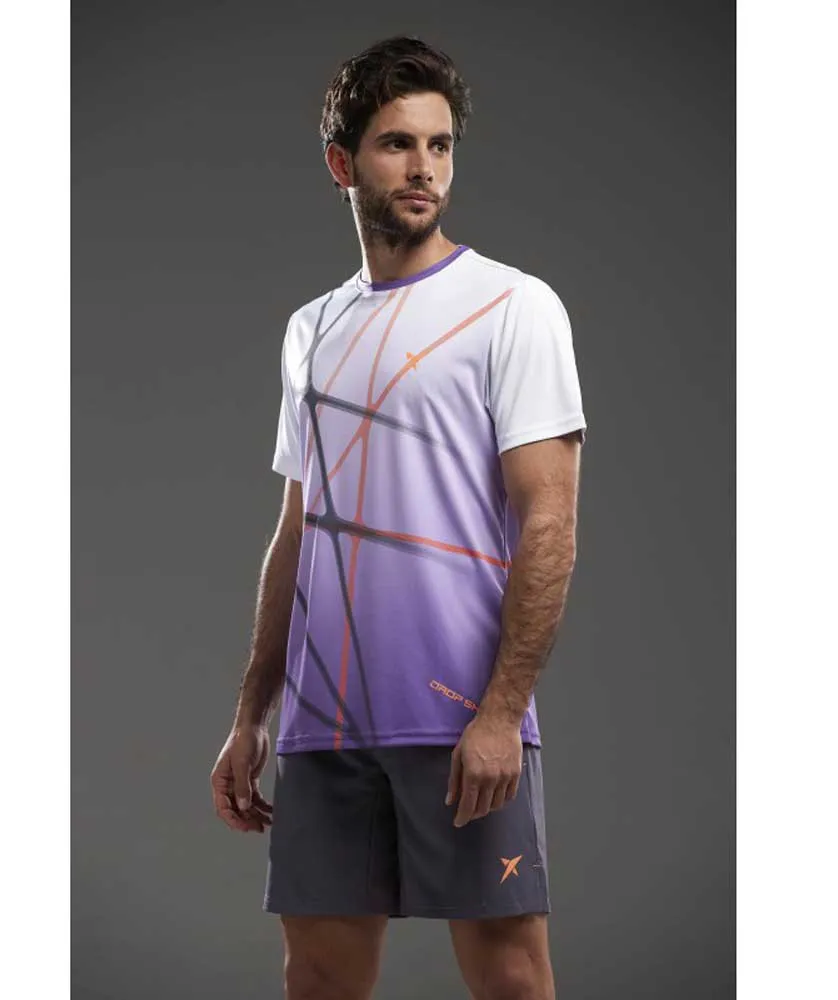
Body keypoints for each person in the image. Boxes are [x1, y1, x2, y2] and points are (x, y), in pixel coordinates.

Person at [210, 35, 586, 1000]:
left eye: (439, 145)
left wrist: (500, 713)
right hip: (325, 726)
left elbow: (548, 523)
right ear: (343, 165)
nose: (424, 168)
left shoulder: (513, 307)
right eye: (396, 144)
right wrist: (252, 715)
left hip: (457, 718)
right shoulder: (311, 330)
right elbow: (298, 530)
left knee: (511, 977)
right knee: (318, 978)